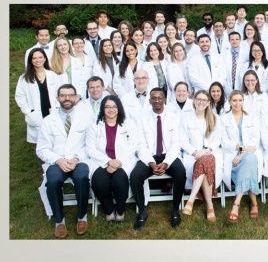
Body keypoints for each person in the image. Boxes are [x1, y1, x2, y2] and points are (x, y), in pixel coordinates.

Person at [36, 84, 93, 238]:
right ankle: (59, 220)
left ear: (76, 98)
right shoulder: (48, 121)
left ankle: (82, 216)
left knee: (81, 178)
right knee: (53, 181)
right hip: (57, 160)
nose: (67, 98)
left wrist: (76, 158)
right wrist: (58, 160)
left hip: (79, 159)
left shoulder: (86, 118)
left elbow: (91, 144)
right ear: (57, 98)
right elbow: (42, 149)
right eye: (63, 95)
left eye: (70, 95)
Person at [130, 88, 187, 230]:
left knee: (181, 173)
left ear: (165, 100)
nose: (157, 101)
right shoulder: (142, 119)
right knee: (135, 176)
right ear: (149, 101)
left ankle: (175, 209)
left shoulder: (174, 117)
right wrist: (151, 163)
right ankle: (142, 211)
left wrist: (166, 163)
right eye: (154, 98)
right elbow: (140, 144)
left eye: (160, 98)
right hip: (149, 156)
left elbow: (176, 144)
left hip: (169, 155)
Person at [86, 95, 139, 223]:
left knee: (119, 180)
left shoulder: (128, 124)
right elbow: (90, 148)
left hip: (123, 160)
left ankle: (120, 210)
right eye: (107, 107)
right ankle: (109, 210)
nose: (111, 110)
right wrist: (108, 161)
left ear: (119, 108)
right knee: (99, 181)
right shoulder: (95, 126)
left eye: (114, 107)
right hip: (101, 161)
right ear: (103, 109)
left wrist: (118, 162)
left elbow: (133, 145)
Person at [220, 90, 263, 223]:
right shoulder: (223, 118)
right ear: (229, 102)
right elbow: (223, 141)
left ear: (243, 101)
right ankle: (254, 203)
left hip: (249, 153)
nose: (237, 103)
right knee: (249, 165)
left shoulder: (252, 117)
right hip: (232, 153)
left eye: (240, 100)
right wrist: (239, 148)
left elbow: (255, 141)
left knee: (249, 160)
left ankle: (236, 204)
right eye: (234, 100)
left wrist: (242, 154)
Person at [181, 90, 223, 222]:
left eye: (204, 100)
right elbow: (182, 140)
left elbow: (218, 138)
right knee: (205, 163)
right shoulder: (186, 117)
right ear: (194, 101)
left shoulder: (215, 118)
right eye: (199, 99)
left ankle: (191, 200)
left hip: (211, 152)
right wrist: (195, 152)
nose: (201, 102)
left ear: (208, 102)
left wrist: (206, 150)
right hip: (192, 155)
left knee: (207, 159)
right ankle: (210, 206)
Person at [15, 48, 60, 143]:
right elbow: (20, 96)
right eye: (34, 58)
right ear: (30, 61)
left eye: (40, 57)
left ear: (45, 59)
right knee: (40, 143)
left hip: (51, 111)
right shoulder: (24, 78)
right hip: (35, 113)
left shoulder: (52, 75)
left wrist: (57, 106)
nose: (38, 60)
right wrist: (28, 111)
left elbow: (58, 93)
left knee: (55, 140)